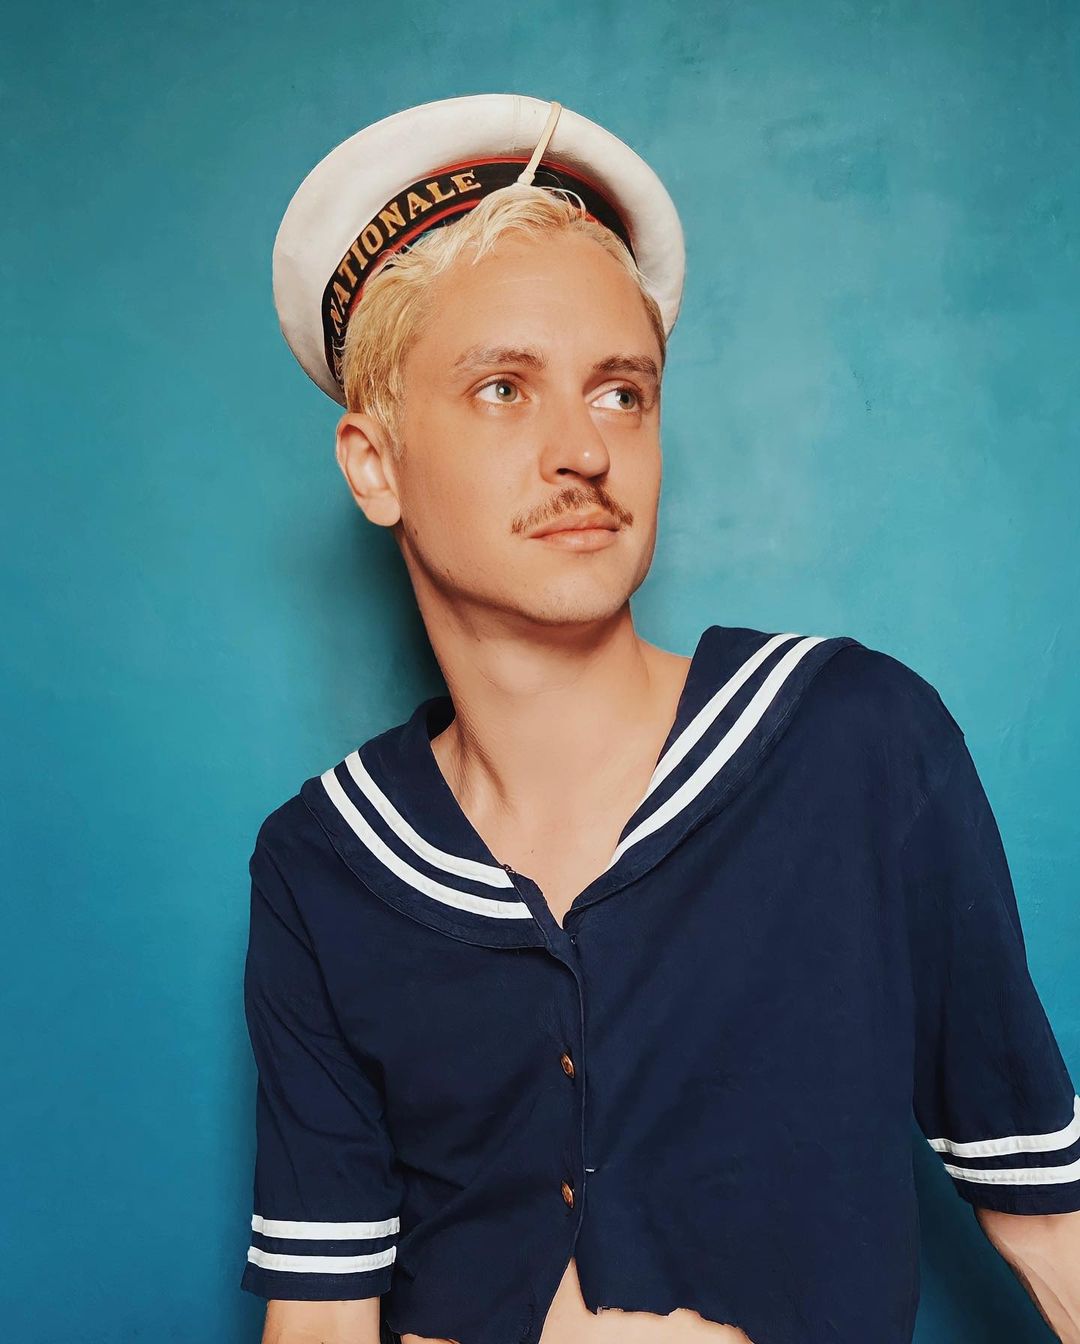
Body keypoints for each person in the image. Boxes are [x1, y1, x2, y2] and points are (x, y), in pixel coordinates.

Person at [239, 95, 1080, 1344]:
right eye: (503, 388)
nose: (582, 450)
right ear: (374, 464)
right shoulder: (325, 864)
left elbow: (1055, 1229)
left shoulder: (854, 743)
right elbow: (319, 1321)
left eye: (621, 393)